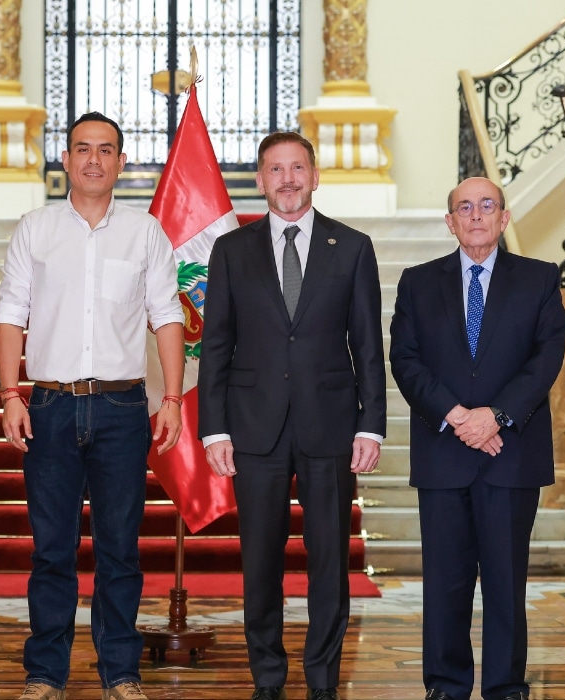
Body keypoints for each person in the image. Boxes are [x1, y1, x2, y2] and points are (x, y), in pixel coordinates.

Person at [0, 111, 185, 700]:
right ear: (67, 159)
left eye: (106, 150)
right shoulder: (35, 229)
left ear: (122, 162)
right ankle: (45, 675)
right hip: (49, 406)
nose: (94, 159)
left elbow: (168, 317)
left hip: (122, 409)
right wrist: (10, 393)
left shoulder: (145, 233)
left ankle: (121, 673)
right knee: (51, 550)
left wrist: (173, 397)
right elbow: (10, 316)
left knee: (119, 551)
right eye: (83, 149)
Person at [197, 131, 387, 700]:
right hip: (254, 428)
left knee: (330, 562)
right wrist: (215, 427)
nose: (287, 179)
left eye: (297, 167)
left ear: (315, 174)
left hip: (330, 427)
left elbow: (368, 346)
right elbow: (216, 347)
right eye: (275, 169)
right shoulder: (232, 251)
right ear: (260, 180)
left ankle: (324, 681)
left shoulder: (352, 247)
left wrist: (370, 423)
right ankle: (269, 680)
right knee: (260, 564)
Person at [388, 177, 565, 700]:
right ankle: (445, 686)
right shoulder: (418, 283)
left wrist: (497, 416)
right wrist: (458, 415)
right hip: (444, 452)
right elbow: (406, 360)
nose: (475, 215)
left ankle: (506, 688)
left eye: (486, 205)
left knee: (506, 584)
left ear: (504, 217)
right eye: (464, 207)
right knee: (445, 585)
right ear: (450, 222)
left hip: (511, 455)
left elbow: (546, 359)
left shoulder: (538, 279)